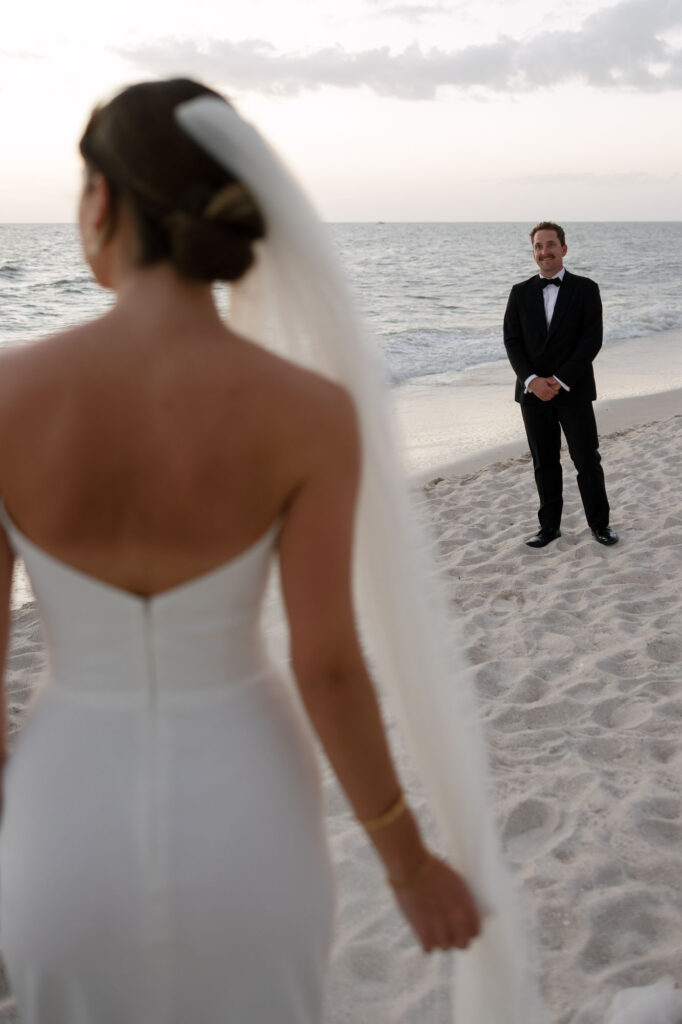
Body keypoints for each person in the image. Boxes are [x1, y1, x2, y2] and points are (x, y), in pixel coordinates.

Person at [0, 80, 495, 1024]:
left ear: (101, 202)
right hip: (249, 819)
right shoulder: (308, 413)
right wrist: (409, 864)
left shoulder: (7, 398)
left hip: (62, 827)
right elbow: (330, 669)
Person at [503, 221, 618, 549]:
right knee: (544, 462)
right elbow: (512, 342)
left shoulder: (586, 289)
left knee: (586, 460)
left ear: (564, 249)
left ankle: (600, 525)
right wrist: (532, 381)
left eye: (550, 245)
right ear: (533, 252)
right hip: (532, 394)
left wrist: (560, 379)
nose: (545, 251)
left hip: (574, 390)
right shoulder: (519, 292)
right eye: (538, 246)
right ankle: (549, 528)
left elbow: (591, 340)